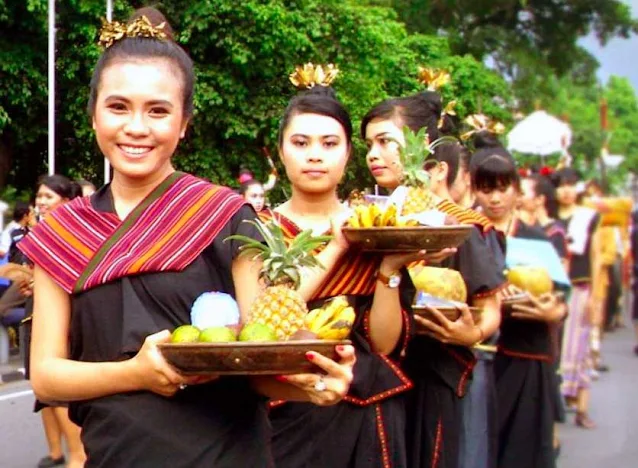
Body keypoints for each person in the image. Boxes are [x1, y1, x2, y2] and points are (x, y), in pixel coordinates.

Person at [18, 9, 355, 467]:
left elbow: (255, 363)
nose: (137, 127)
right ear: (94, 116)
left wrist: (316, 385)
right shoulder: (62, 232)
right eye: (118, 107)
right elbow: (47, 377)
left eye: (158, 111)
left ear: (184, 124)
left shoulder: (226, 216)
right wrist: (134, 372)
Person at [266, 64, 421, 468]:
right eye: (301, 142)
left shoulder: (376, 228)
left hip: (364, 411)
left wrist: (389, 268)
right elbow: (261, 324)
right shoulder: (258, 228)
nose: (315, 154)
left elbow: (384, 346)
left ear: (348, 152)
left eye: (329, 143)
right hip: (279, 409)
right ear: (280, 150)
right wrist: (335, 246)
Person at [361, 91, 503, 468]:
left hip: (433, 371)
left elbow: (490, 308)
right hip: (371, 375)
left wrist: (470, 334)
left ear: (419, 146)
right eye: (368, 144)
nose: (373, 154)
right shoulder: (364, 220)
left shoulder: (457, 223)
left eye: (385, 141)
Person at [472, 149, 566, 468]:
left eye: (502, 188)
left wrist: (552, 313)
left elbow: (559, 302)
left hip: (528, 353)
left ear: (516, 190)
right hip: (480, 353)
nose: (495, 198)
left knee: (524, 451)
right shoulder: (467, 234)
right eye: (486, 189)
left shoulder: (537, 240)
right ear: (474, 191)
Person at [19, 175, 85, 468]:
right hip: (34, 314)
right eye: (40, 197)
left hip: (60, 320)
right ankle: (58, 452)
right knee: (42, 391)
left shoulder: (73, 233)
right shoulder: (38, 232)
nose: (41, 202)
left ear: (67, 201)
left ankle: (78, 456)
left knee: (58, 391)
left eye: (48, 197)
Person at [553, 167, 601, 429]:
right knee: (557, 347)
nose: (566, 191)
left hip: (580, 288)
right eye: (561, 185)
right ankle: (558, 403)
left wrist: (596, 295)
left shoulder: (588, 217)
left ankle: (582, 407)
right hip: (554, 290)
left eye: (571, 185)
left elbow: (594, 257)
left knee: (579, 345)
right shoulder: (548, 218)